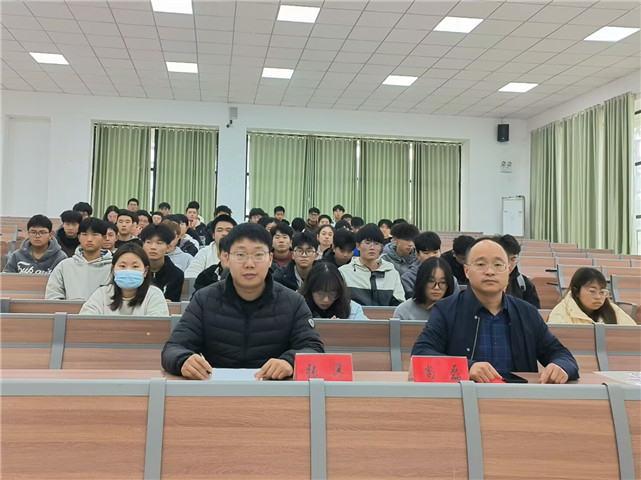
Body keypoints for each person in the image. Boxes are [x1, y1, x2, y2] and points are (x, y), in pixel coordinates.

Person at [161, 223, 325, 380]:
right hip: (216, 389)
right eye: (240, 255)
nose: (249, 264)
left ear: (270, 259)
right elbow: (173, 348)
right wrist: (183, 360)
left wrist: (290, 362)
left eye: (258, 255)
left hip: (274, 389)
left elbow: (314, 349)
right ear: (226, 258)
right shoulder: (204, 300)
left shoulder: (293, 302)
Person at [411, 238, 579, 384]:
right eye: (481, 264)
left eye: (498, 265)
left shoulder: (527, 312)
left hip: (518, 400)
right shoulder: (446, 310)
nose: (490, 272)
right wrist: (467, 368)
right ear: (467, 271)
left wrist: (560, 366)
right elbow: (421, 355)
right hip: (465, 398)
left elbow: (560, 354)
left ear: (509, 270)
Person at [80, 243, 169, 316]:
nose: (128, 270)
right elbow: (86, 321)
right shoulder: (102, 294)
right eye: (122, 266)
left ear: (145, 271)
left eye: (135, 266)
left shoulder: (153, 294)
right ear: (113, 270)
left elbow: (156, 327)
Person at [45, 218, 112, 300]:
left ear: (104, 238)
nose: (89, 239)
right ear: (79, 237)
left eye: (94, 235)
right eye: (85, 234)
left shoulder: (112, 267)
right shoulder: (65, 266)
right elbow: (53, 296)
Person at [339, 224, 405, 306]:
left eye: (377, 243)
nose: (372, 247)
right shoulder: (344, 272)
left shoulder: (392, 273)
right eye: (367, 243)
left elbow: (400, 305)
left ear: (381, 247)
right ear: (358, 246)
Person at [548, 268, 635, 325]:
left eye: (602, 292)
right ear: (576, 291)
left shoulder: (614, 310)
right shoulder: (560, 313)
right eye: (592, 291)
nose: (598, 297)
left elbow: (633, 334)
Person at [401, 231, 461, 298]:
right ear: (417, 255)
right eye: (426, 253)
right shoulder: (408, 278)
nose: (432, 256)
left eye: (435, 252)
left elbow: (455, 301)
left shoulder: (450, 278)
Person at [301, 262, 367, 319]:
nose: (326, 300)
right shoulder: (298, 306)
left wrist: (341, 327)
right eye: (320, 294)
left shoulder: (352, 309)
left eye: (332, 294)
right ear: (310, 291)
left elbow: (365, 328)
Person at [494, 234, 541, 309]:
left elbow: (534, 312)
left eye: (513, 259)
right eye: (505, 259)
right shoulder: (484, 281)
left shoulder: (524, 284)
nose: (509, 265)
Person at [140, 224, 184, 302]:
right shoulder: (136, 271)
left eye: (159, 243)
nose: (153, 247)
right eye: (148, 242)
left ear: (168, 247)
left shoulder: (176, 274)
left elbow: (173, 303)